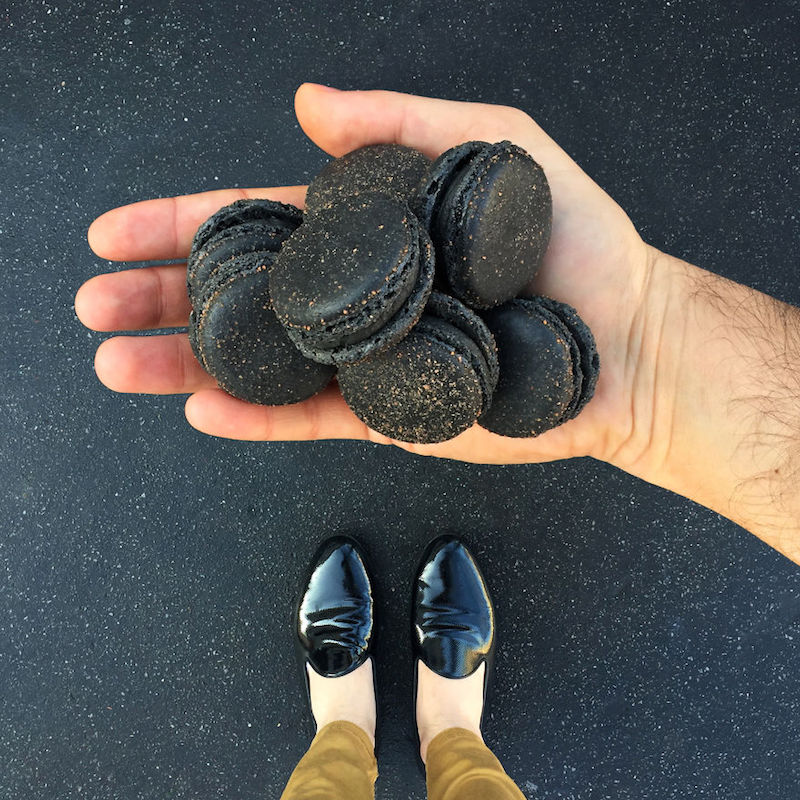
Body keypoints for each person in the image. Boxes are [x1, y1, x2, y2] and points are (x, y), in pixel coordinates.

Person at [74, 84, 800, 793]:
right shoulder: (331, 283)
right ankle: (439, 728)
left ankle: (365, 725)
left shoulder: (416, 279)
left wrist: (654, 334)